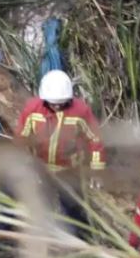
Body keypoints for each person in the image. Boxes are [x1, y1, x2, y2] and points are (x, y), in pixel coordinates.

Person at [16, 70, 107, 230]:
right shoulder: (32, 109)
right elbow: (22, 137)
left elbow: (95, 139)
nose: (57, 106)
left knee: (73, 209)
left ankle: (82, 239)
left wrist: (97, 171)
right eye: (53, 102)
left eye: (61, 102)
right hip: (41, 168)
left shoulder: (80, 111)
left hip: (69, 171)